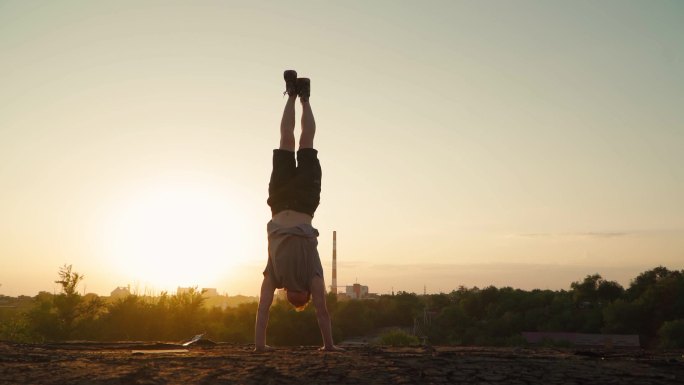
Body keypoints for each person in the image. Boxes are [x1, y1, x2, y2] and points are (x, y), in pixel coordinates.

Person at [254, 70, 342, 352]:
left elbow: (263, 309)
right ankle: (304, 98)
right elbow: (322, 312)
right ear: (305, 295)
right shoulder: (311, 278)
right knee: (305, 144)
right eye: (299, 300)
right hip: (304, 203)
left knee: (285, 142)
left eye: (292, 301)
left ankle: (292, 93)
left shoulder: (275, 277)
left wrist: (259, 347)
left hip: (279, 203)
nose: (294, 298)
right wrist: (328, 346)